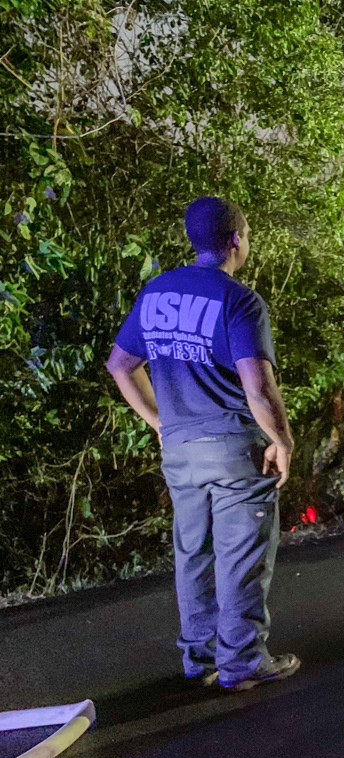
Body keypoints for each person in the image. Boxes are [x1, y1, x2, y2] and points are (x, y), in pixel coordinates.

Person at [106, 196, 299, 691]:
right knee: (242, 556)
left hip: (182, 450)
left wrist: (160, 421)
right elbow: (257, 386)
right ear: (236, 239)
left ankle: (200, 658)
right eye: (248, 234)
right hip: (234, 446)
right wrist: (282, 440)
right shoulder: (239, 299)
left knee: (195, 552)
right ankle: (243, 662)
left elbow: (120, 366)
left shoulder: (157, 292)